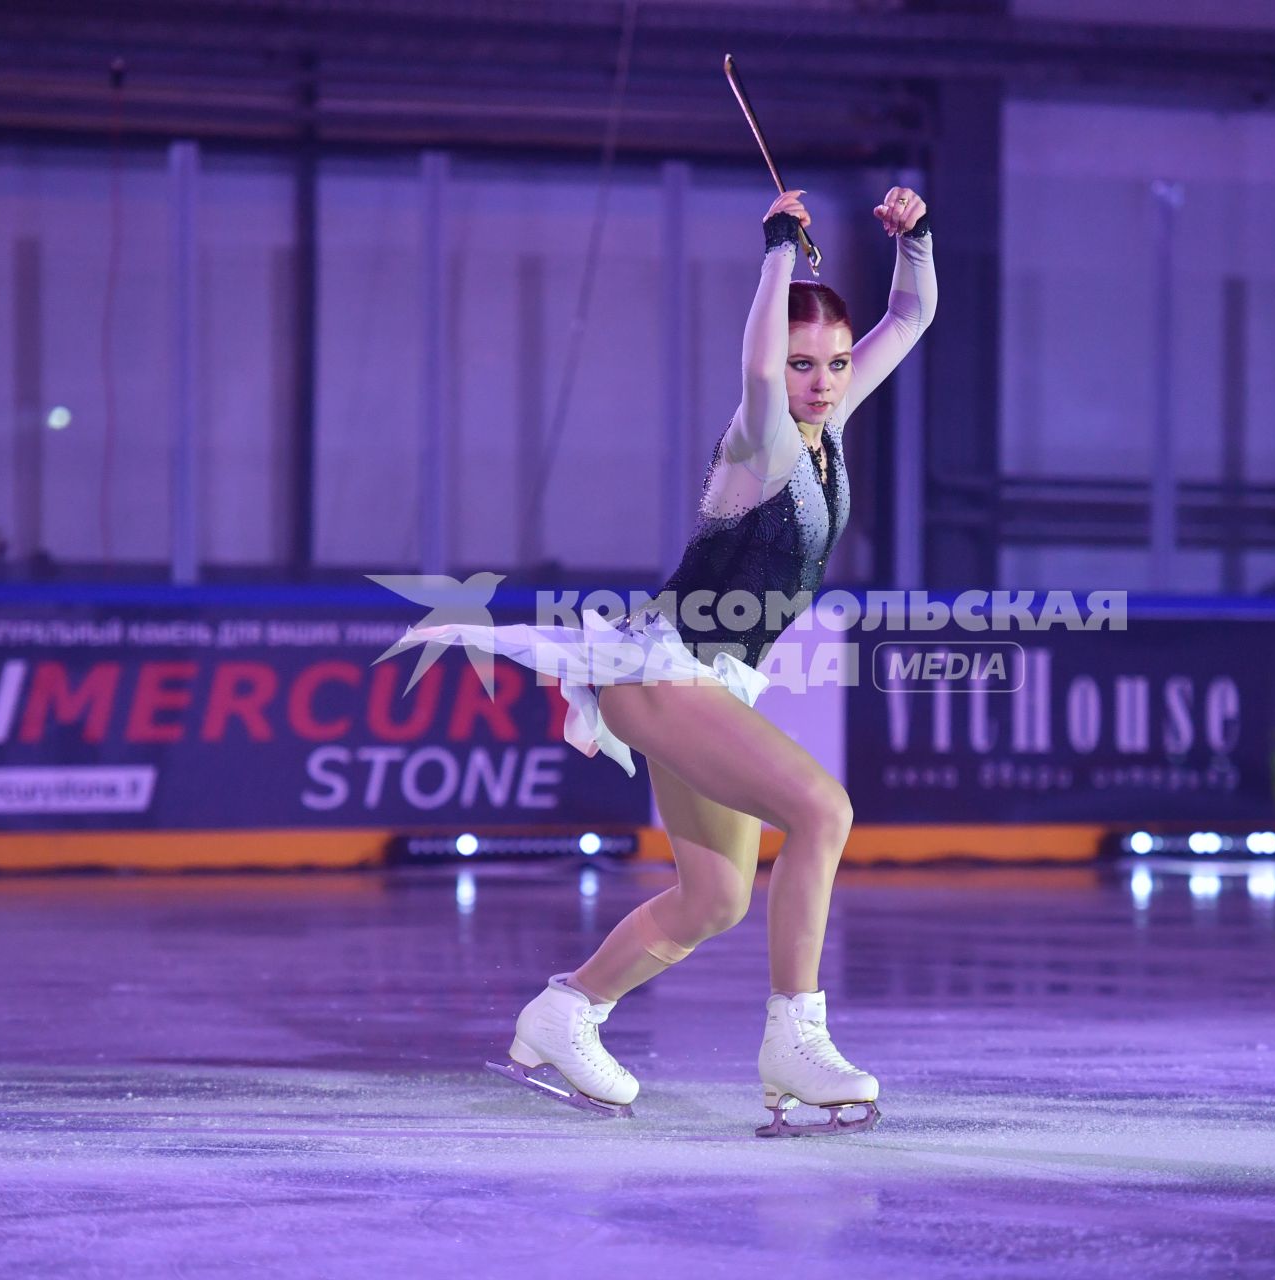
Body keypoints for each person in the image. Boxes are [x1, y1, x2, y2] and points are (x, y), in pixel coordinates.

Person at [389, 184, 935, 1136]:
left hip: (710, 680)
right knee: (823, 810)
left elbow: (911, 313)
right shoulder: (760, 439)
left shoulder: (829, 435)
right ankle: (794, 1041)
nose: (823, 381)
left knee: (718, 895)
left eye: (837, 365)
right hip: (660, 667)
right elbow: (759, 372)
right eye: (807, 364)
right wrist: (775, 250)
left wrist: (915, 237)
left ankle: (565, 1013)